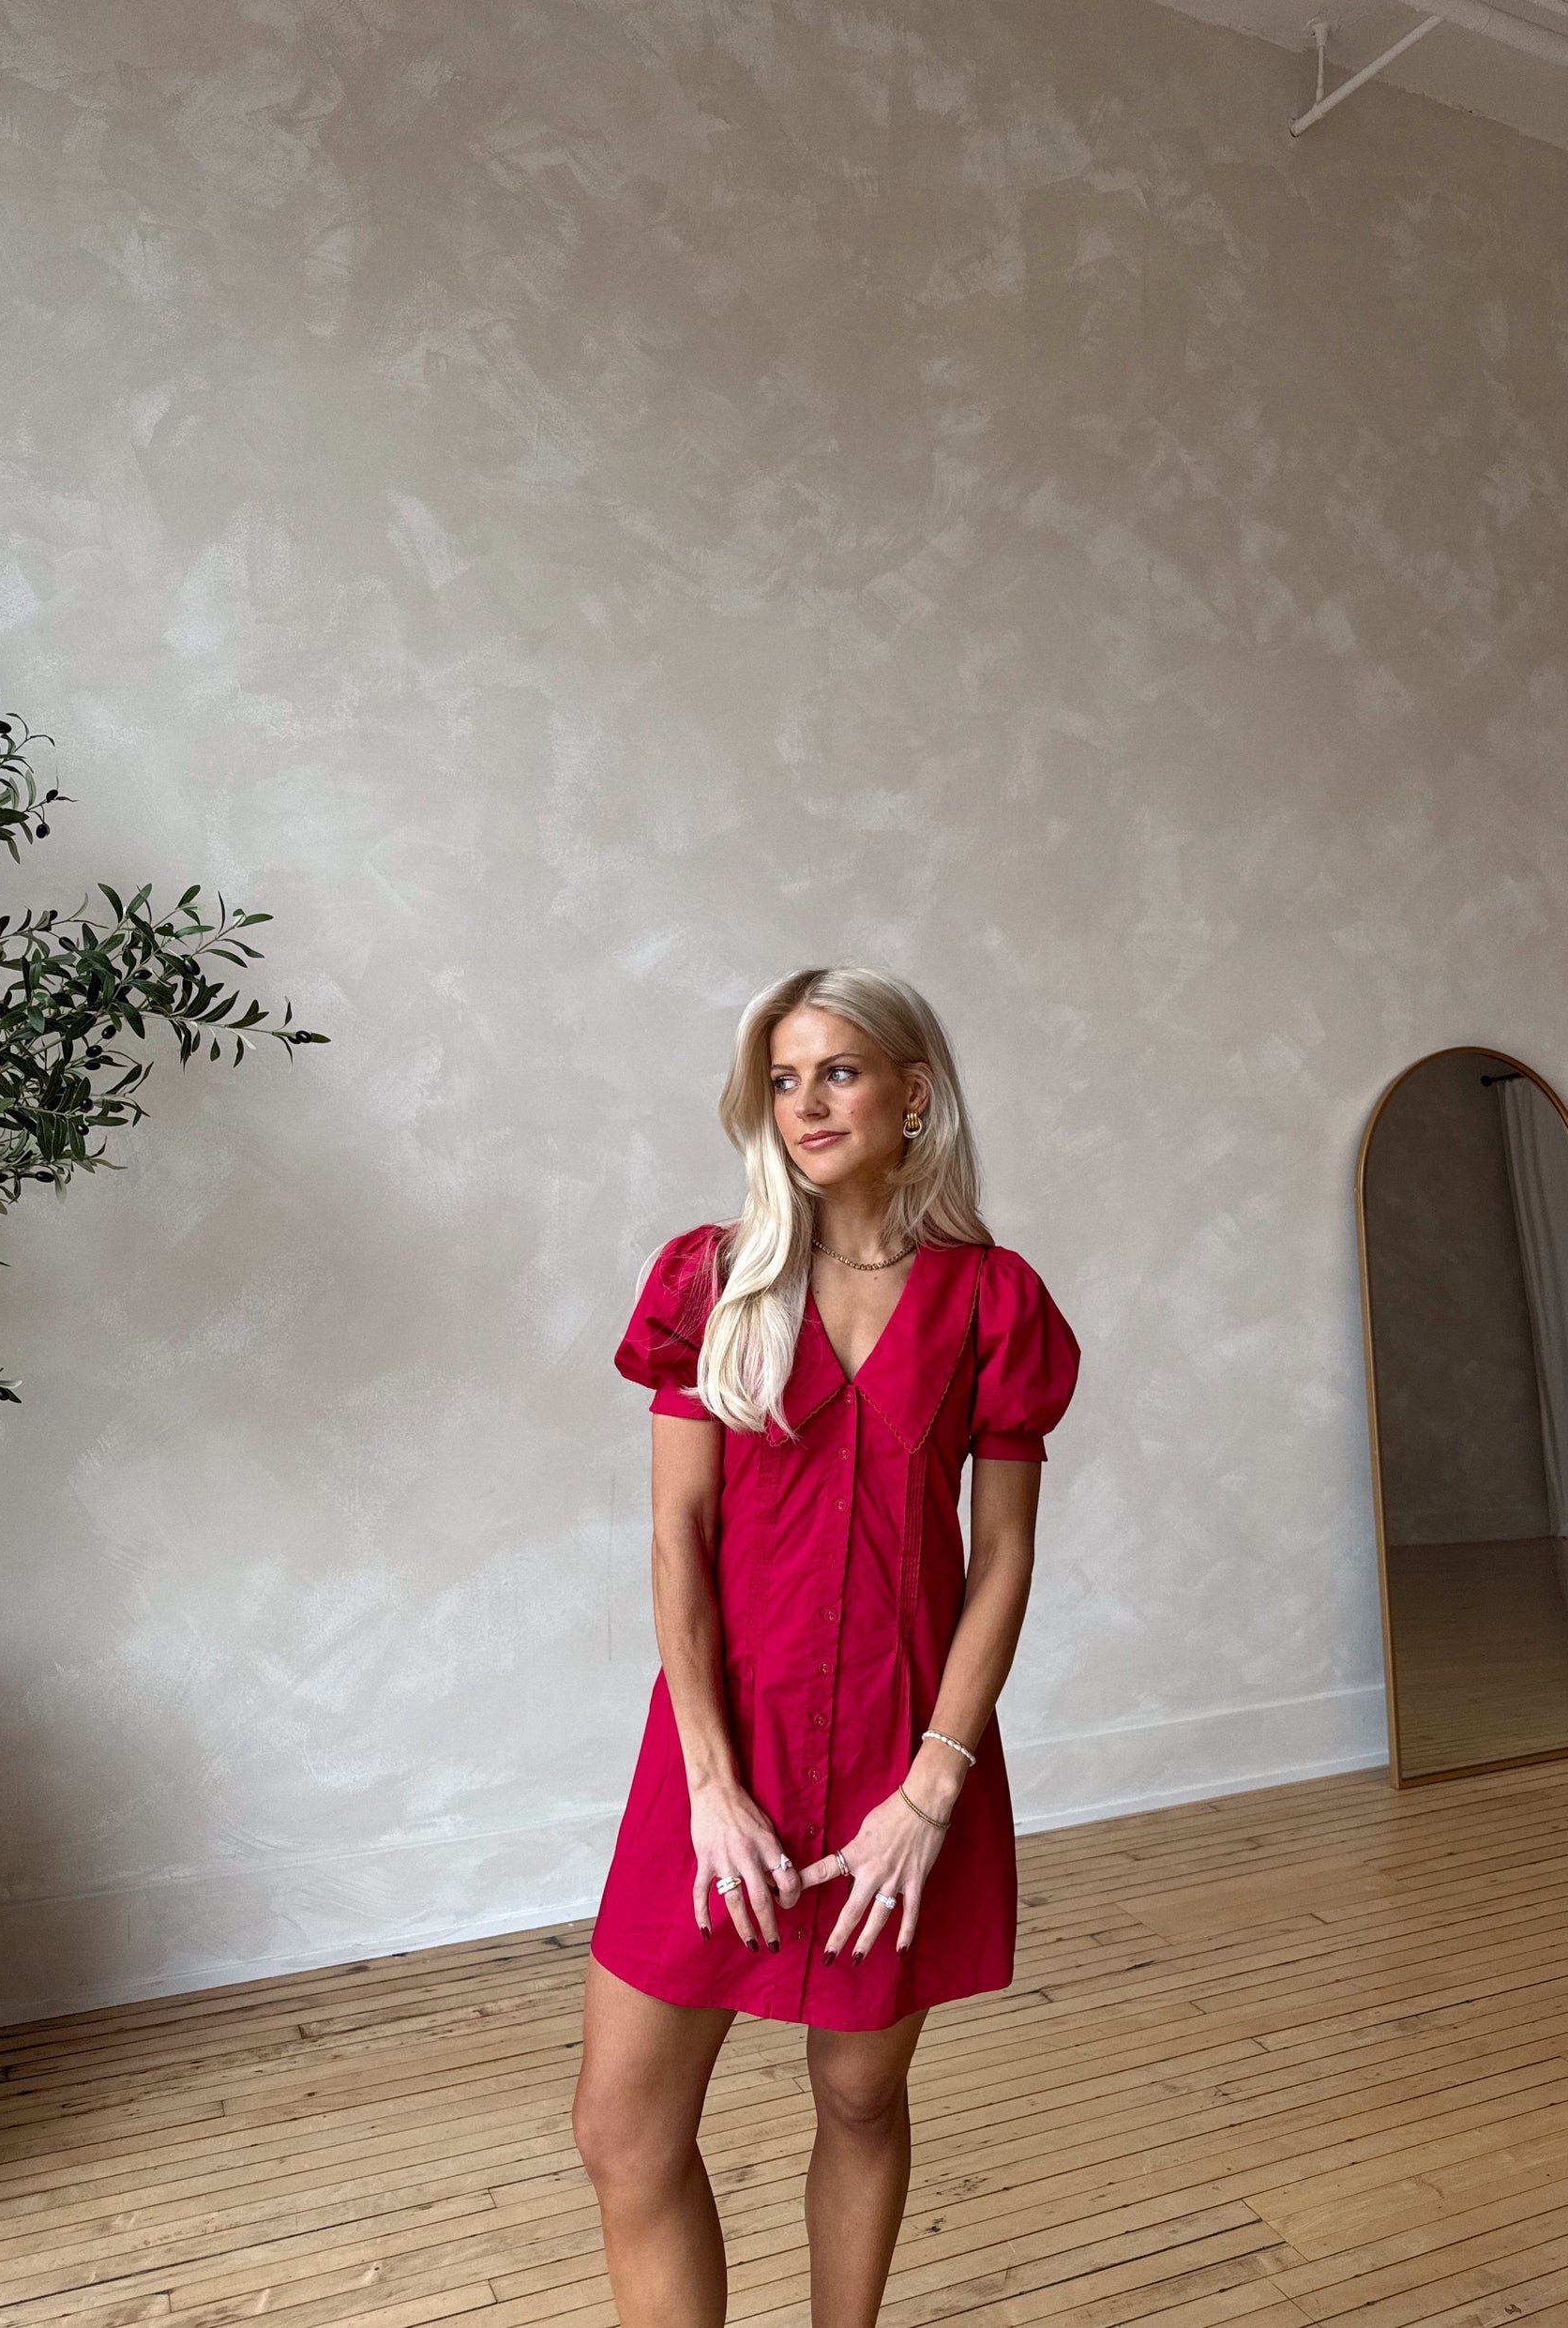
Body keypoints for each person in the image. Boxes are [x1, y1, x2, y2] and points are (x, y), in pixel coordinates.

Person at [572, 965, 1080, 2328]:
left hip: (898, 1756)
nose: (805, 1103)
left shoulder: (992, 1302)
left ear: (914, 1092)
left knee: (859, 2098)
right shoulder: (712, 1280)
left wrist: (931, 1791)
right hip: (718, 1750)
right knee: (623, 2129)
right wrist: (709, 1785)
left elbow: (1002, 1557)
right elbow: (678, 1539)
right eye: (784, 1079)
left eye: (838, 1071)